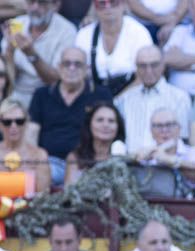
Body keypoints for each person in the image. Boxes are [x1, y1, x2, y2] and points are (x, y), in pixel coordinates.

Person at [28, 47, 113, 187]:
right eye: (67, 64)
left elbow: (109, 129)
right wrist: (35, 163)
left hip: (86, 162)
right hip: (50, 162)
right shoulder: (42, 94)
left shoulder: (100, 95)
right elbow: (31, 133)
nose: (72, 68)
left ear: (87, 68)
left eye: (77, 64)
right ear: (59, 67)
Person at [115, 45, 192, 152]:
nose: (148, 71)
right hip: (132, 163)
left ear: (163, 66)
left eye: (154, 65)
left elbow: (183, 138)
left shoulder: (180, 97)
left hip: (165, 162)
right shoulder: (125, 99)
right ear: (136, 68)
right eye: (143, 66)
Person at [3, 0, 77, 108]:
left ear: (56, 5)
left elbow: (55, 79)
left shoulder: (67, 31)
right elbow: (9, 77)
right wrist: (10, 51)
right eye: (31, 2)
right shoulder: (17, 24)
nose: (35, 8)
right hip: (15, 93)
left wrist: (31, 54)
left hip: (49, 96)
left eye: (42, 3)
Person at [75, 0, 154, 97]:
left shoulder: (139, 32)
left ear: (124, 4)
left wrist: (116, 102)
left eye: (113, 2)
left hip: (133, 95)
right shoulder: (84, 34)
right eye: (102, 3)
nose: (108, 7)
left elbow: (144, 75)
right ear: (95, 7)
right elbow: (79, 73)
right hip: (95, 95)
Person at [132, 106, 195, 197]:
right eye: (158, 126)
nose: (164, 130)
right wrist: (135, 159)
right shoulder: (146, 153)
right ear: (151, 131)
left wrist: (168, 159)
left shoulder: (192, 152)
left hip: (183, 207)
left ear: (179, 128)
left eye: (169, 125)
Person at [65, 101, 126, 186]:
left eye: (111, 121)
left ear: (118, 126)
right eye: (100, 120)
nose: (105, 125)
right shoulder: (75, 157)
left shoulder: (124, 157)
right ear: (89, 124)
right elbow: (69, 193)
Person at [0, 99, 50, 195]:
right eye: (7, 122)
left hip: (29, 209)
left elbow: (43, 197)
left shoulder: (39, 155)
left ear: (26, 123)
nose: (13, 126)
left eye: (19, 121)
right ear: (0, 125)